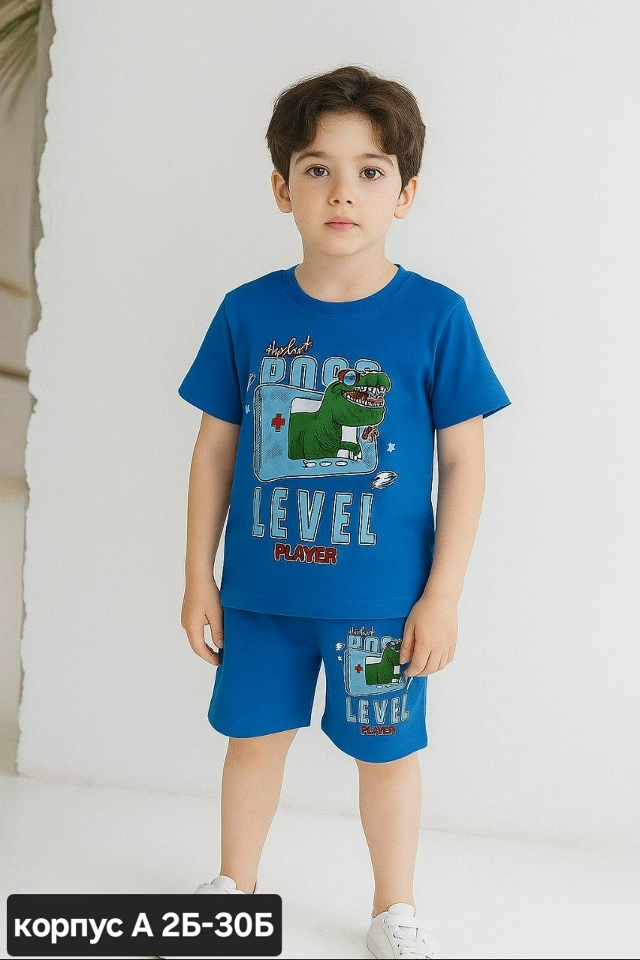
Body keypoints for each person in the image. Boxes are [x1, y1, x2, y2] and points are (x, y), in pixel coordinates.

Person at [176, 65, 510, 960]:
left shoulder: (437, 316)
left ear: (405, 193)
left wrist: (442, 596)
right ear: (282, 187)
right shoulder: (246, 312)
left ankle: (395, 906)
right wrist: (198, 576)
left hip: (382, 609)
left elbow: (465, 464)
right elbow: (214, 452)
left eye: (370, 171)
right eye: (318, 168)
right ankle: (233, 890)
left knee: (387, 755)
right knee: (252, 744)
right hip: (260, 598)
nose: (342, 192)